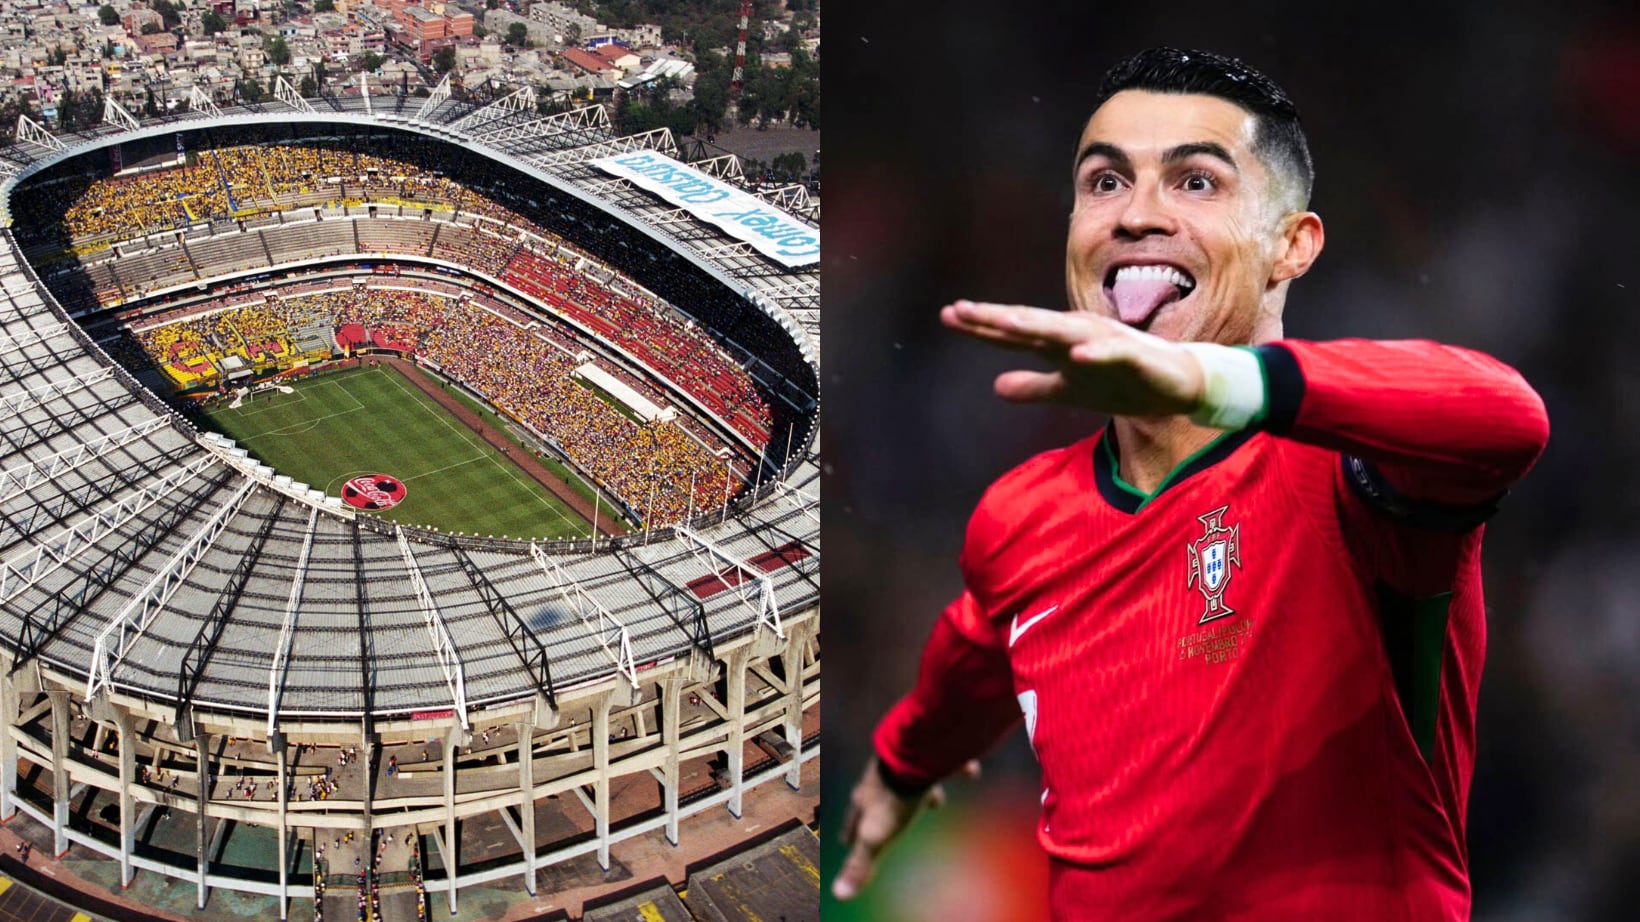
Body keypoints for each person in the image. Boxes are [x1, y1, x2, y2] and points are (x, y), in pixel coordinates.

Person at [834, 47, 1550, 920]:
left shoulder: (1349, 471)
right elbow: (974, 651)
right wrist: (901, 767)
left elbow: (1506, 416)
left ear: (1292, 245)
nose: (1136, 214)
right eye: (1103, 181)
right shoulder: (1020, 513)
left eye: (1197, 182)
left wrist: (1216, 382)